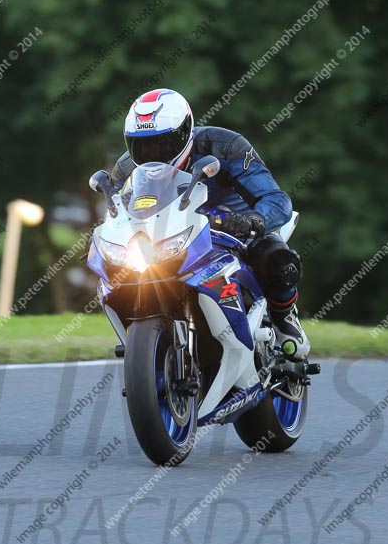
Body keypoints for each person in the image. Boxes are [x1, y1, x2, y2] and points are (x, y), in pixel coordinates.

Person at [110, 88, 310, 360]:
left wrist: (254, 220)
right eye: (142, 146)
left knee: (278, 261)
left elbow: (275, 198)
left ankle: (285, 319)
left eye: (162, 144)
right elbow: (121, 214)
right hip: (173, 237)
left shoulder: (226, 146)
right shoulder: (126, 169)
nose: (152, 154)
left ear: (184, 133)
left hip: (235, 229)